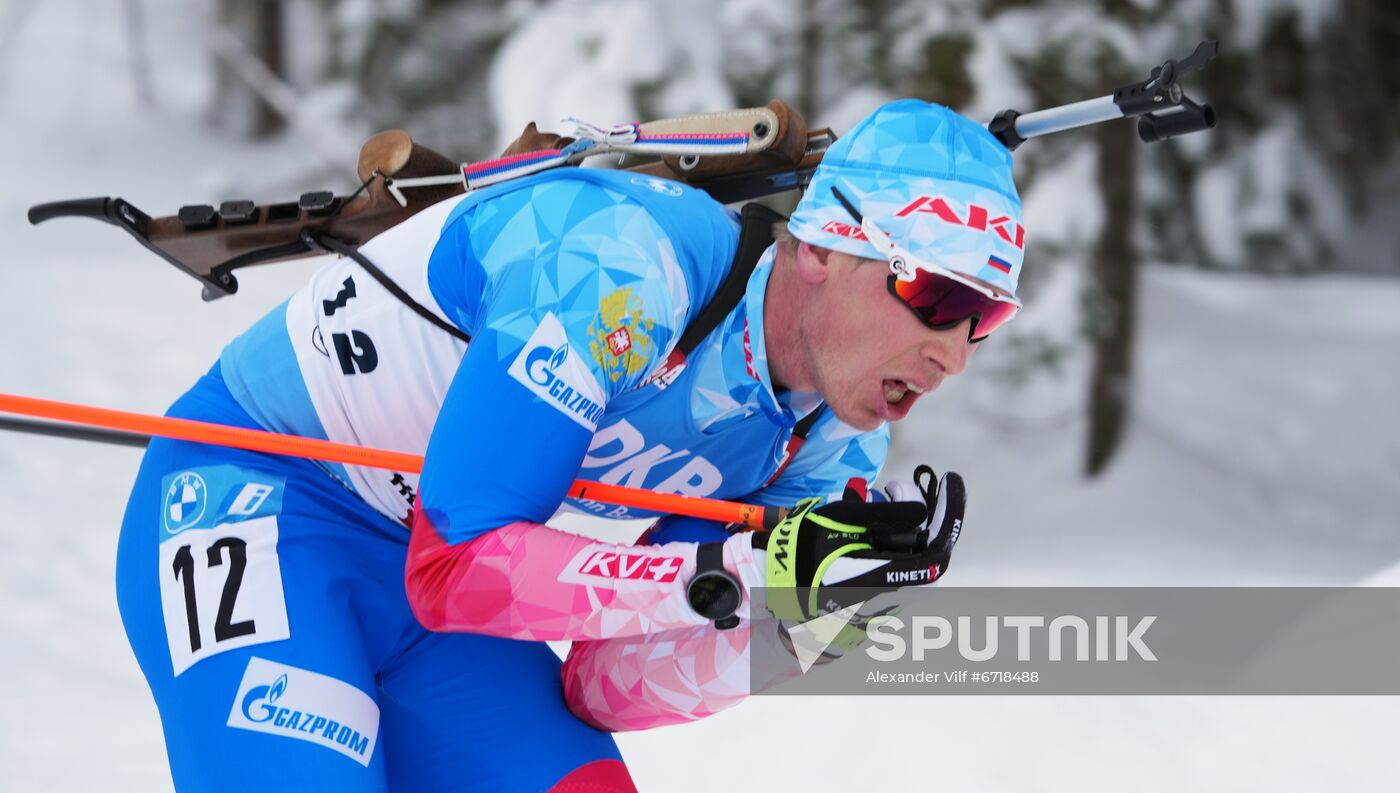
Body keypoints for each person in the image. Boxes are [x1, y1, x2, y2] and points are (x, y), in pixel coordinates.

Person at [114, 98, 1026, 791]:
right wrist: (736, 568)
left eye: (984, 320)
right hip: (266, 500)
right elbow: (459, 561)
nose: (952, 352)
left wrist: (803, 618)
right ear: (825, 247)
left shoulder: (827, 447)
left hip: (437, 608)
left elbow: (602, 685)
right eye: (936, 298)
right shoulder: (622, 266)